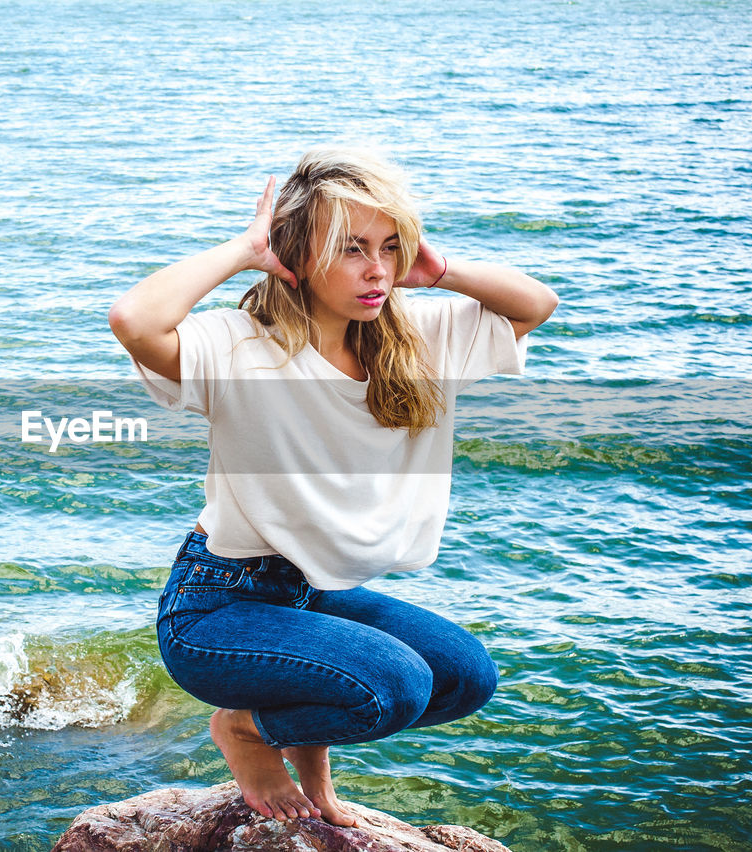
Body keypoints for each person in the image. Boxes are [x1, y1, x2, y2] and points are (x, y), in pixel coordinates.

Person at [107, 147, 558, 826]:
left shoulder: (412, 340)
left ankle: (301, 754)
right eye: (351, 249)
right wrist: (245, 248)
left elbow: (538, 305)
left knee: (466, 675)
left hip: (313, 592)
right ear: (297, 256)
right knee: (396, 684)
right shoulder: (240, 347)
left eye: (390, 246)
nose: (378, 269)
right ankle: (245, 731)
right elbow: (135, 320)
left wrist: (440, 271)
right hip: (217, 608)